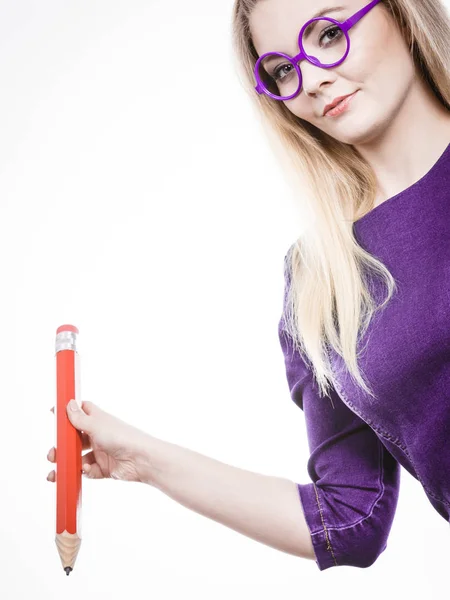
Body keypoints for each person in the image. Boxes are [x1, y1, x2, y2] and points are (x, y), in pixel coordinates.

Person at [47, 0, 450, 572]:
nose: (310, 79)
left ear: (401, 14)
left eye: (329, 33)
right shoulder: (322, 278)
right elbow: (348, 522)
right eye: (283, 69)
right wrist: (143, 458)